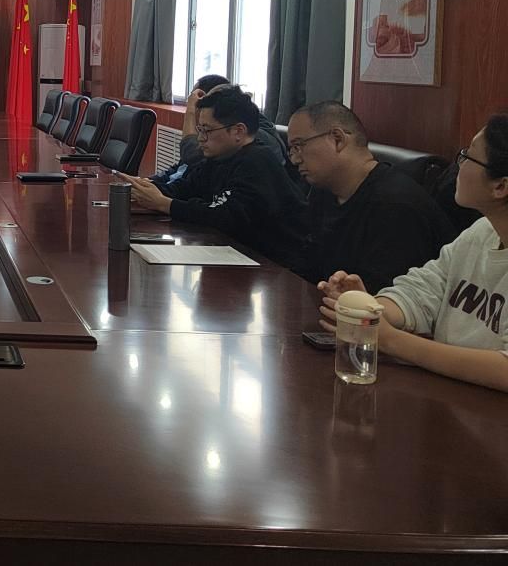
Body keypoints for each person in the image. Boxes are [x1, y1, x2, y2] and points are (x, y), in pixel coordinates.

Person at [319, 115, 508, 393]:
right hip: (445, 398)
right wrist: (368, 309)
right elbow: (421, 290)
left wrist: (391, 340)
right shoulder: (481, 232)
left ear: (500, 186)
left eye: (468, 156)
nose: (459, 165)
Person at [119, 85, 307, 265]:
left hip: (276, 265)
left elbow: (224, 216)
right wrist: (141, 190)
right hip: (235, 254)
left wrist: (164, 204)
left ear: (238, 131)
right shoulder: (220, 157)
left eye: (207, 131)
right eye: (200, 130)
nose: (200, 138)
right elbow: (185, 188)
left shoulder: (258, 161)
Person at [289, 101, 453, 291]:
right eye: (291, 150)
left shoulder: (396, 206)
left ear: (337, 139)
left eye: (299, 146)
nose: (294, 159)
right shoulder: (324, 190)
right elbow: (306, 266)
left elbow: (389, 297)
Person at [151, 74, 288, 190]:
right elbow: (184, 171)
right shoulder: (218, 140)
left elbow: (191, 155)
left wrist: (191, 111)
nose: (201, 138)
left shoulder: (251, 140)